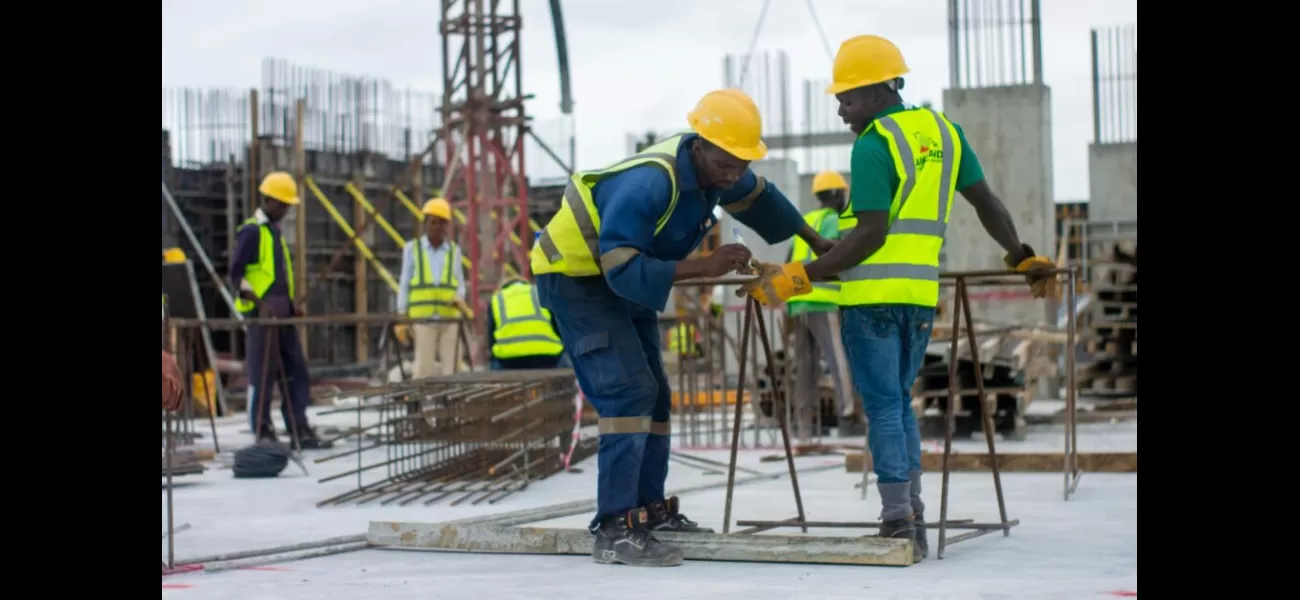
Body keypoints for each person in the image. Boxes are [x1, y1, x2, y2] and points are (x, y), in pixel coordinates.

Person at [739, 35, 1056, 562]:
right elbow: (987, 203)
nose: (841, 110)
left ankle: (897, 523)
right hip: (918, 298)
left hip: (871, 301)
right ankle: (912, 514)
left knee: (884, 408)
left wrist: (798, 277)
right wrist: (1021, 255)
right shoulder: (945, 132)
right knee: (900, 406)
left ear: (878, 89)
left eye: (847, 97)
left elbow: (869, 236)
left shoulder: (872, 144)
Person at [529, 88, 836, 568]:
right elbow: (622, 268)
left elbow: (762, 198)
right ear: (699, 145)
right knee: (627, 391)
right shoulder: (650, 185)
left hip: (616, 275)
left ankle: (650, 512)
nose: (733, 173)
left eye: (741, 162)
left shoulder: (720, 167)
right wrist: (706, 266)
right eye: (725, 163)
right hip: (576, 279)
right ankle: (614, 527)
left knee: (655, 395)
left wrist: (818, 242)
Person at [230, 171, 329, 449]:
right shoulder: (251, 232)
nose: (286, 210)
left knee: (296, 370)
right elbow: (237, 275)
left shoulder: (273, 233)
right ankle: (263, 431)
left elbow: (274, 276)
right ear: (269, 200)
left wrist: (289, 304)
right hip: (263, 316)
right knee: (263, 374)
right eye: (283, 204)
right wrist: (262, 306)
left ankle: (299, 428)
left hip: (281, 312)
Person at [786, 170, 858, 440]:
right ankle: (847, 416)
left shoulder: (806, 221)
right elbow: (839, 253)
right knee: (837, 359)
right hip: (823, 299)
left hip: (799, 302)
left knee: (805, 366)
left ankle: (803, 423)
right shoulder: (832, 221)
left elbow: (790, 258)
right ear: (838, 194)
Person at [393, 198, 468, 379]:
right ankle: (421, 405)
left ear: (446, 226)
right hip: (423, 318)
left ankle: (452, 403)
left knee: (452, 367)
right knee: (423, 367)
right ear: (425, 223)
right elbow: (404, 282)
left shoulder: (453, 251)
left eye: (441, 223)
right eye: (433, 222)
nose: (437, 227)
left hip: (449, 318)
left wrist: (459, 297)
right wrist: (402, 314)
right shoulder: (412, 249)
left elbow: (459, 282)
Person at [487, 276, 566, 370]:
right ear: (527, 284)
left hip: (510, 360)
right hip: (548, 356)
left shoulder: (497, 298)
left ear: (503, 287)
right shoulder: (539, 292)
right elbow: (558, 327)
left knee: (494, 364)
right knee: (567, 362)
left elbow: (491, 337)